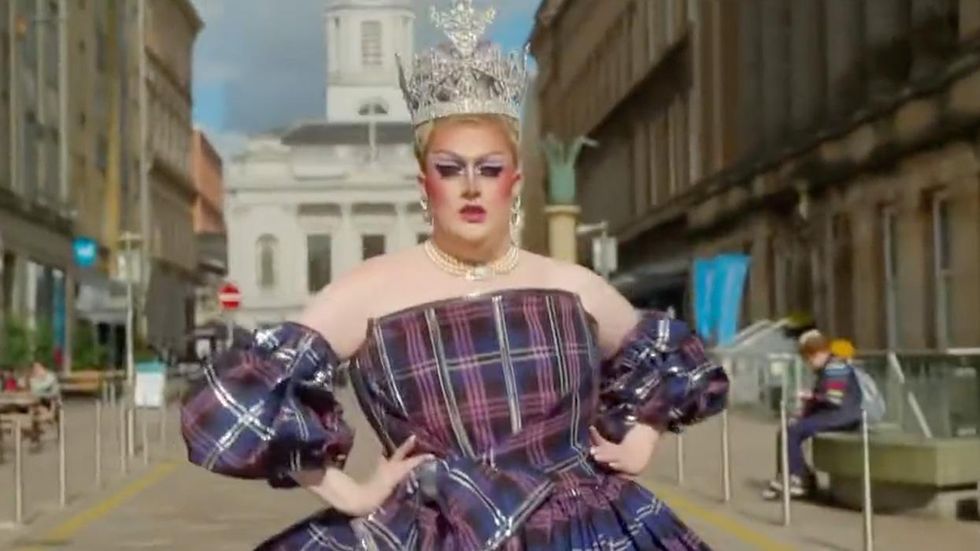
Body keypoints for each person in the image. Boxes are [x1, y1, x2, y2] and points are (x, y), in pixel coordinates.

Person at [181, 2, 729, 549]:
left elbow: (671, 360)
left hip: (578, 530)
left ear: (513, 183)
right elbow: (236, 396)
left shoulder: (571, 287)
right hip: (434, 532)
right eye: (450, 168)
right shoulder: (371, 291)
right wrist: (346, 492)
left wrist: (641, 437)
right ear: (425, 185)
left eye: (489, 169)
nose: (471, 186)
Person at [763, 330, 862, 500]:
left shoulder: (836, 366)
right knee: (789, 429)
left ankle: (797, 477)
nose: (808, 363)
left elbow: (833, 399)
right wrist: (802, 414)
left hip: (842, 416)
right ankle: (793, 474)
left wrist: (810, 396)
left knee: (792, 431)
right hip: (835, 414)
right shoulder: (828, 367)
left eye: (808, 358)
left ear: (818, 353)